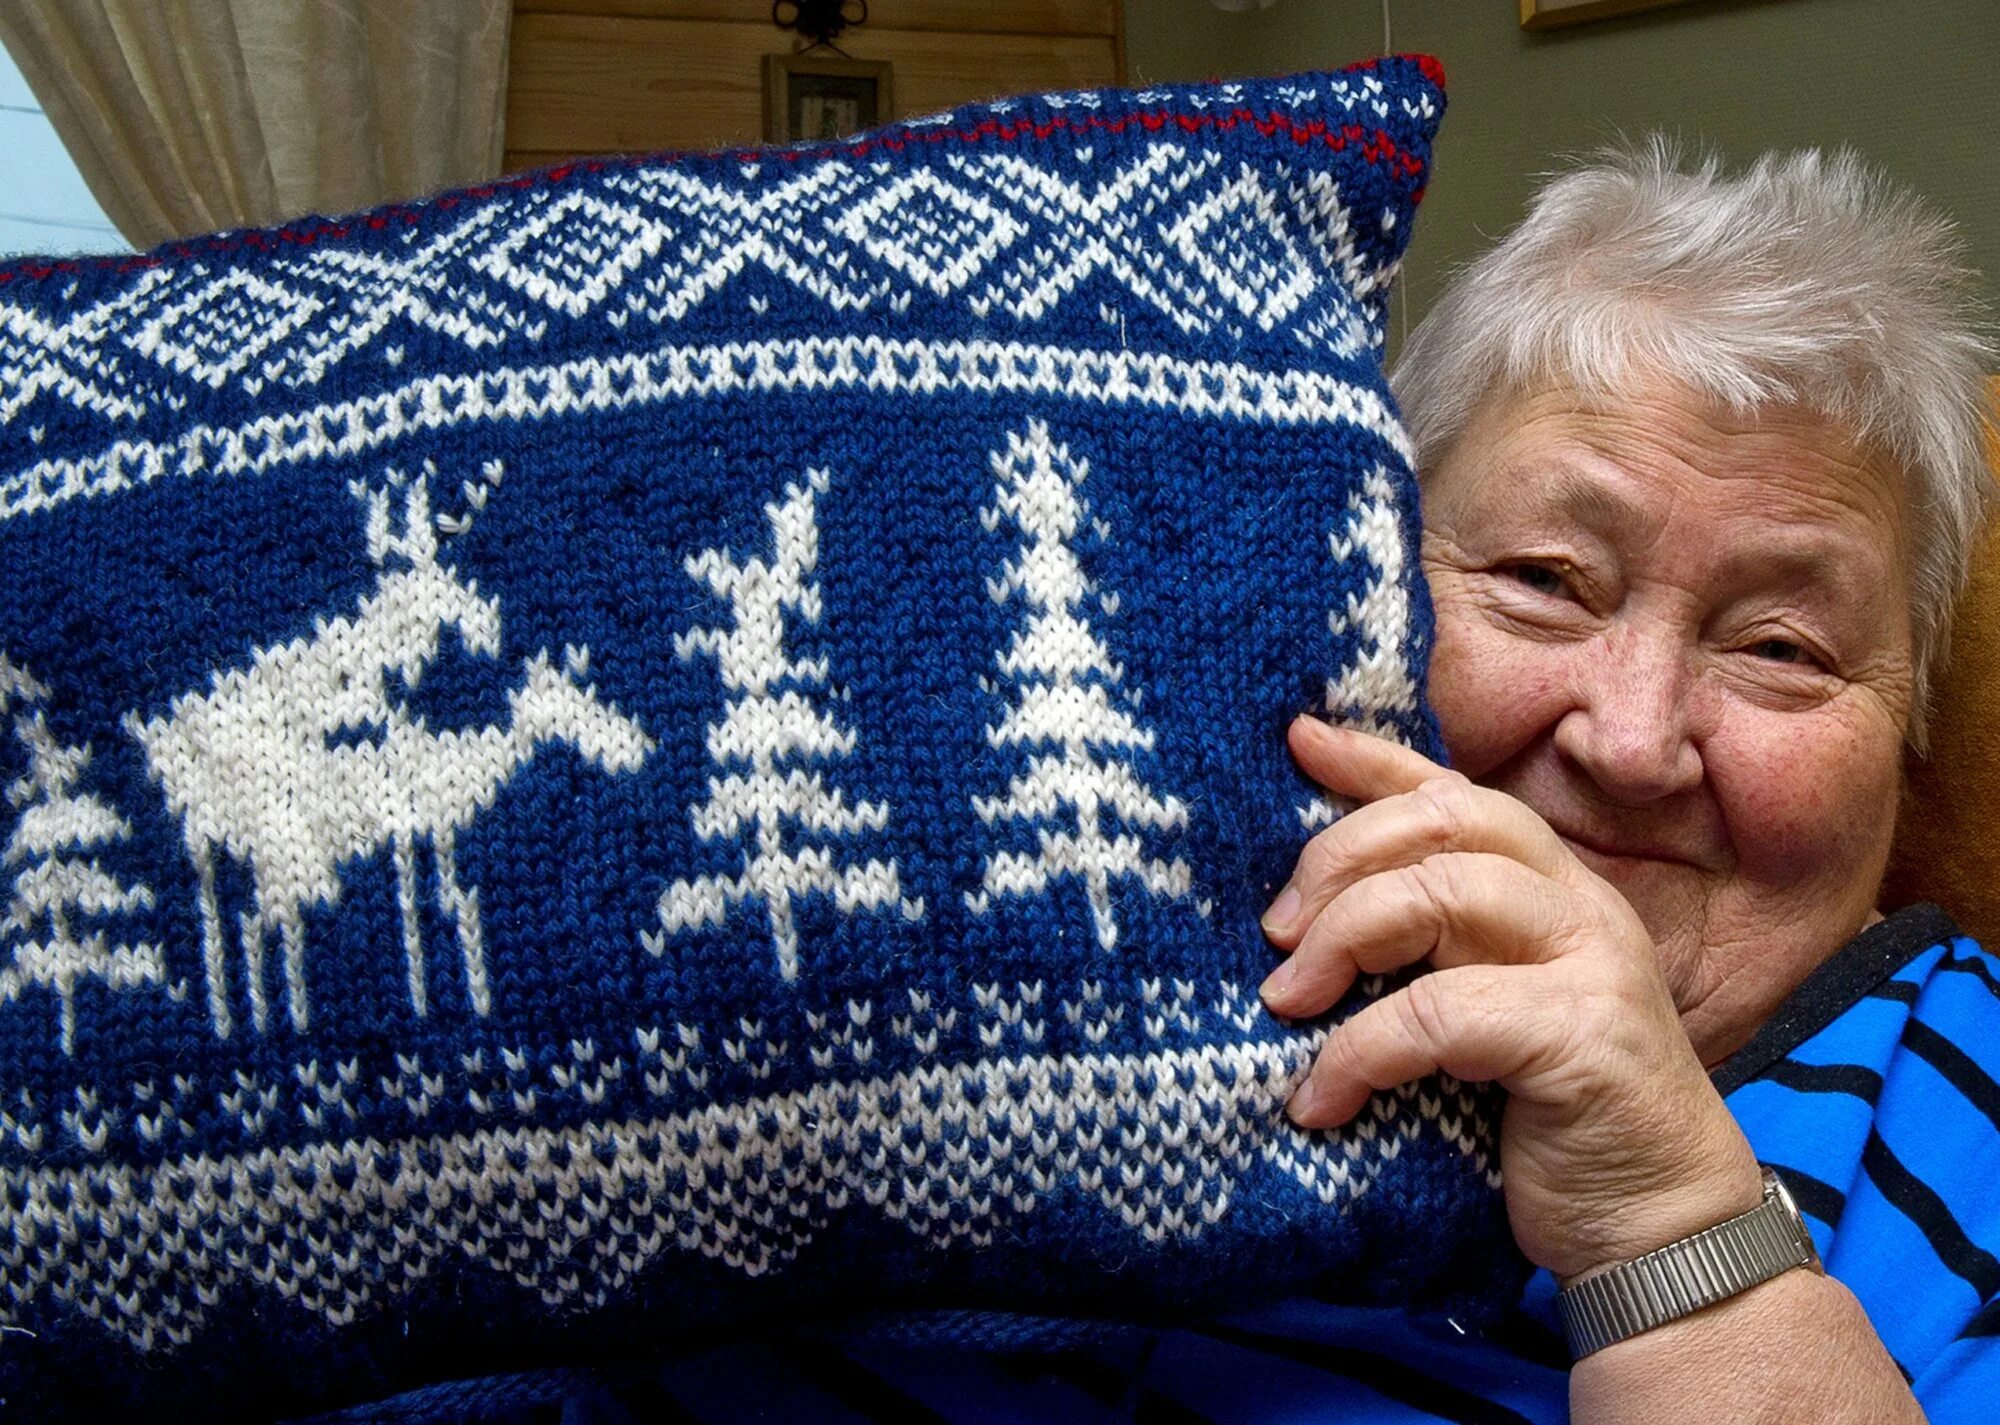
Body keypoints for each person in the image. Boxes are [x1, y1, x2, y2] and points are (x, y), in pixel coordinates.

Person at [325, 140, 2000, 1423]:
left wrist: (1670, 1228)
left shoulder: (1966, 1082)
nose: (1630, 737)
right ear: (1353, 580)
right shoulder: (1056, 897)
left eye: (1782, 647)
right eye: (1547, 581)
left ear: (1910, 725)